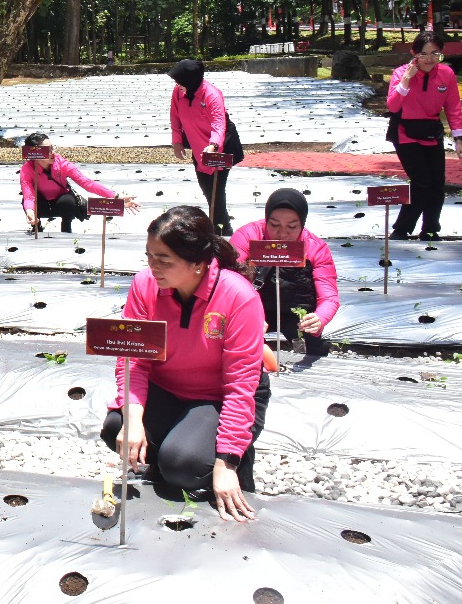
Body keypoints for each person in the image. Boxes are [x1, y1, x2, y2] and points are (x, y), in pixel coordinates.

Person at [100, 205, 268, 522]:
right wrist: (133, 421)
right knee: (117, 428)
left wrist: (226, 463)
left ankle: (226, 456)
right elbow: (134, 361)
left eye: (164, 260)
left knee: (183, 465)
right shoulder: (144, 285)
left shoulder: (237, 296)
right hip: (167, 388)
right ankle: (174, 455)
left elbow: (239, 385)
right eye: (149, 256)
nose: (153, 268)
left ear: (198, 264)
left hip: (217, 397)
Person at [230, 189, 339, 358]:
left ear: (302, 224)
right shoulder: (247, 236)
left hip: (294, 311)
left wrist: (319, 318)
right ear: (266, 220)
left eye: (292, 227)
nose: (282, 234)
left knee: (313, 349)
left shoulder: (316, 248)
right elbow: (229, 279)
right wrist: (249, 313)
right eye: (274, 225)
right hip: (253, 307)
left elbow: (329, 297)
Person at [386, 32, 462, 240]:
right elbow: (393, 105)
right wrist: (406, 80)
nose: (429, 59)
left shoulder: (446, 74)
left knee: (437, 183)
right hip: (404, 132)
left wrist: (459, 139)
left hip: (431, 131)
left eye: (435, 54)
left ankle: (430, 229)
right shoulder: (401, 73)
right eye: (423, 54)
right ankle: (402, 229)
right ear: (414, 53)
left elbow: (453, 107)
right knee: (422, 181)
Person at [168, 60, 244, 236]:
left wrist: (214, 145)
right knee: (206, 187)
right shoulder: (178, 92)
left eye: (180, 81)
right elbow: (174, 115)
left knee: (216, 189)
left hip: (220, 146)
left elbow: (219, 123)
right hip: (197, 144)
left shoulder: (212, 94)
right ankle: (223, 225)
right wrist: (177, 141)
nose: (177, 85)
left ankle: (218, 231)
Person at [19, 132, 140, 233]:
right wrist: (30, 211)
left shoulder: (61, 163)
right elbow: (28, 195)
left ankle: (66, 227)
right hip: (41, 203)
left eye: (53, 148)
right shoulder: (27, 169)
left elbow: (86, 183)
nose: (53, 152)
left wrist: (116, 197)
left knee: (68, 200)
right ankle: (36, 226)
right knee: (28, 203)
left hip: (61, 202)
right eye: (48, 150)